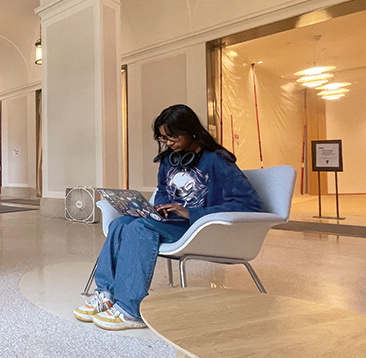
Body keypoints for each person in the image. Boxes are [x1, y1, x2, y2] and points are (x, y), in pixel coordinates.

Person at [74, 104, 263, 330]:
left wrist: (192, 212)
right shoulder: (168, 160)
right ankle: (105, 294)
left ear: (191, 131)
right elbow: (163, 189)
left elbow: (250, 204)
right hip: (169, 223)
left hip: (198, 228)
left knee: (139, 229)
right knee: (120, 223)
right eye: (164, 138)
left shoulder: (217, 160)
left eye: (173, 137)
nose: (169, 143)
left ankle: (130, 309)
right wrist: (160, 206)